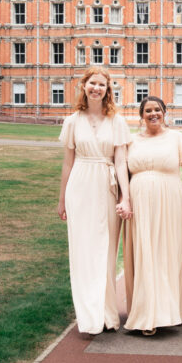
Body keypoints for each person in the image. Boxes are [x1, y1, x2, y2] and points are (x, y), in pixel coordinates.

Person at [56, 66, 132, 335]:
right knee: (84, 251)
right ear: (84, 86)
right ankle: (89, 316)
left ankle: (107, 313)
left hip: (107, 185)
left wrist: (126, 197)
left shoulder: (117, 121)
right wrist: (62, 199)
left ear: (108, 89)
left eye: (101, 84)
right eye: (92, 84)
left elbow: (121, 161)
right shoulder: (72, 121)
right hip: (80, 186)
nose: (96, 88)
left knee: (108, 251)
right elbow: (68, 163)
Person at [122, 96, 182, 335]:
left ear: (165, 112)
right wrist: (124, 199)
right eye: (148, 110)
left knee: (167, 253)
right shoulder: (130, 141)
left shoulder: (177, 138)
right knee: (145, 253)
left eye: (157, 110)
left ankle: (168, 309)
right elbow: (122, 173)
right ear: (141, 115)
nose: (153, 114)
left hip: (171, 201)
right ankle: (147, 313)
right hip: (140, 202)